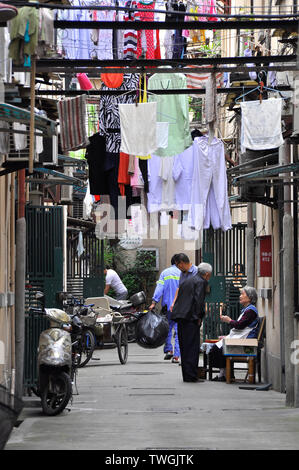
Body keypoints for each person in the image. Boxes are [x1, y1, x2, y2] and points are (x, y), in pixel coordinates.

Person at [171, 262, 213, 383]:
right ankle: (191, 376)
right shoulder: (201, 282)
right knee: (192, 347)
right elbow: (198, 301)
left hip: (181, 318)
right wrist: (199, 316)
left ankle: (187, 375)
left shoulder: (188, 281)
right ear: (206, 274)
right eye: (209, 275)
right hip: (191, 318)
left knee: (185, 347)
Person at [208, 285, 259, 382]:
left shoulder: (250, 311)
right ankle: (224, 374)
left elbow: (240, 325)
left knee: (218, 348)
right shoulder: (247, 310)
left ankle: (224, 375)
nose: (240, 296)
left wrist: (229, 320)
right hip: (242, 338)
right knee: (216, 347)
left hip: (246, 342)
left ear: (249, 297)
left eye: (242, 294)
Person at [149, 254, 181, 363]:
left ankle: (169, 350)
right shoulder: (183, 273)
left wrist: (154, 302)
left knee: (167, 327)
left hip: (167, 307)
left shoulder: (165, 273)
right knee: (178, 331)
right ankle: (177, 356)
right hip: (180, 307)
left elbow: (159, 288)